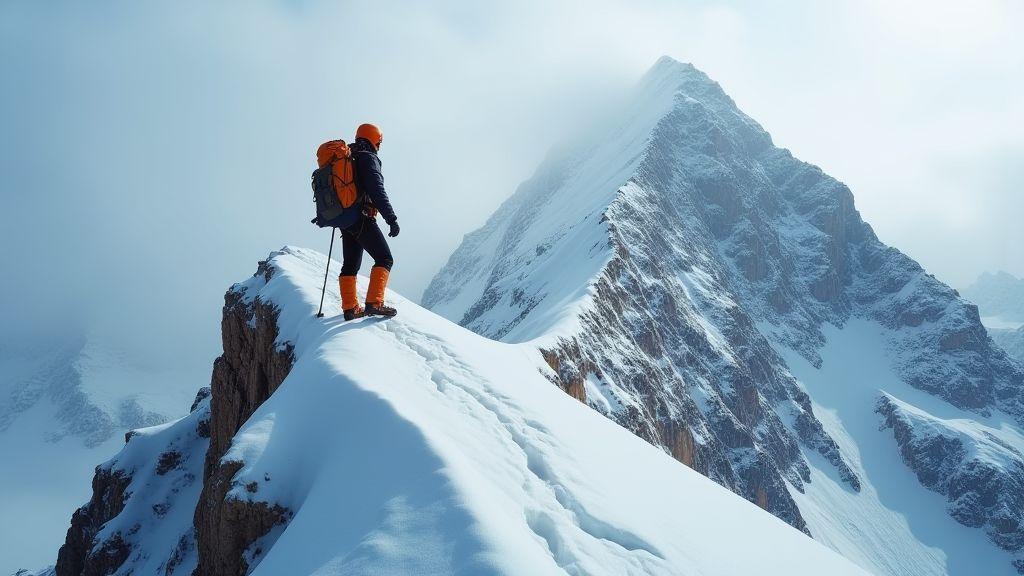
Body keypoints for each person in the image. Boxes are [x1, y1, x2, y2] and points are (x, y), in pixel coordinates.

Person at [318, 123, 399, 320]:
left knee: (350, 264)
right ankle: (374, 303)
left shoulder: (349, 156)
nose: (379, 146)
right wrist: (391, 218)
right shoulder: (368, 158)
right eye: (379, 142)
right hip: (361, 216)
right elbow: (376, 189)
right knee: (384, 258)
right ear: (373, 139)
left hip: (345, 219)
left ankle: (350, 308)